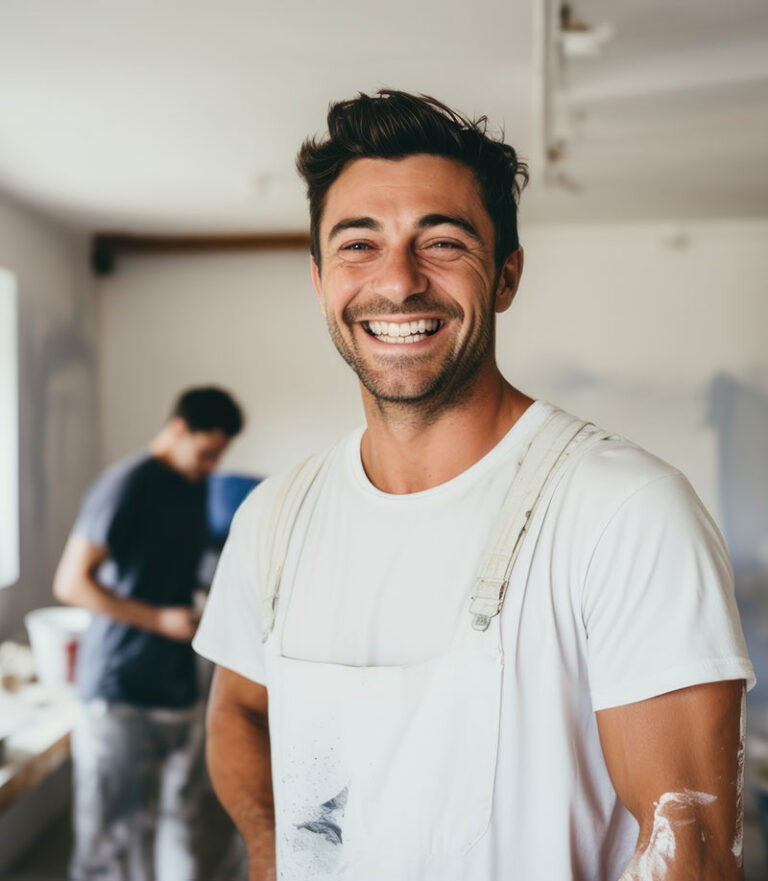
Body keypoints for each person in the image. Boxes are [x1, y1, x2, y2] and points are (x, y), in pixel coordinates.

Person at [193, 91, 755, 881]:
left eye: (444, 241)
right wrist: (269, 851)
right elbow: (241, 710)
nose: (398, 281)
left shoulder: (623, 510)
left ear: (507, 276)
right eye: (359, 244)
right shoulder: (274, 517)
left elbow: (685, 847)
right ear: (320, 279)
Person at [54, 386, 244, 881]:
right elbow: (71, 582)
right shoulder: (127, 484)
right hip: (121, 692)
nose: (211, 466)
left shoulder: (193, 484)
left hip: (177, 690)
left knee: (182, 828)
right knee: (112, 849)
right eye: (206, 453)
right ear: (179, 429)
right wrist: (159, 621)